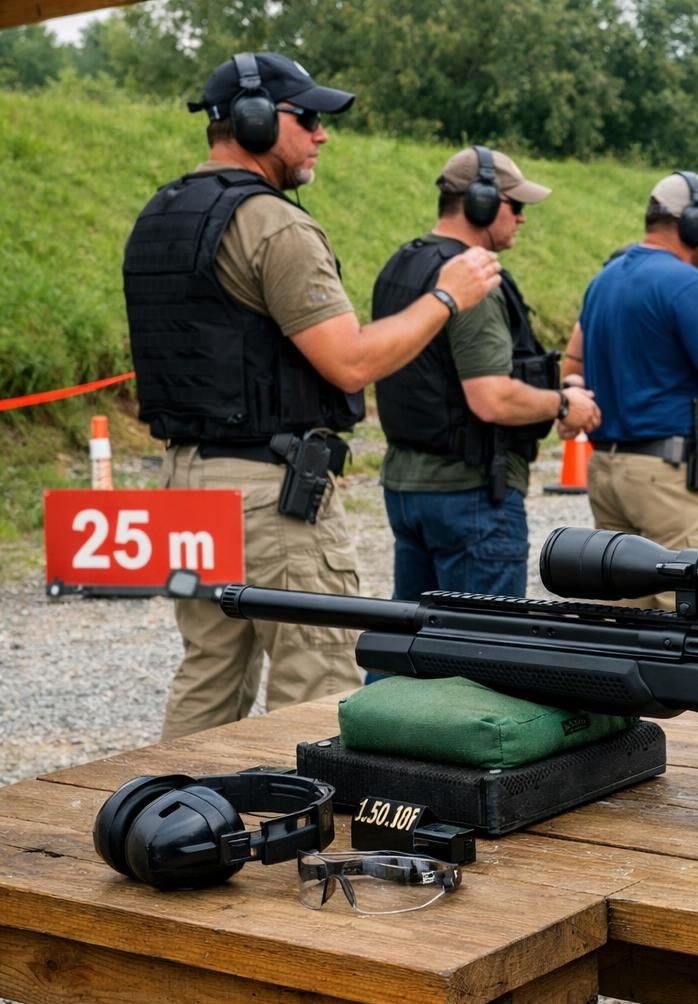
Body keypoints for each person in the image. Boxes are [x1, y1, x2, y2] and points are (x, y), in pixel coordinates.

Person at [124, 52, 502, 740]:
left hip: (185, 484)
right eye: (307, 118)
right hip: (270, 497)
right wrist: (448, 296)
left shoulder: (159, 214)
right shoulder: (275, 225)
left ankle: (170, 803)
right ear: (256, 120)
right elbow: (350, 363)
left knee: (209, 673)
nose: (322, 134)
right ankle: (309, 814)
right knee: (316, 686)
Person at [371, 146, 600, 600]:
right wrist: (562, 404)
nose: (522, 217)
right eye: (515, 205)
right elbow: (490, 397)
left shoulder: (403, 263)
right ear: (483, 202)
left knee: (413, 634)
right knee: (483, 639)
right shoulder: (471, 281)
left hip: (407, 487)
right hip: (470, 493)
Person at [577, 172, 698, 597]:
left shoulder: (605, 279)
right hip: (672, 480)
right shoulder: (687, 284)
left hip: (610, 469)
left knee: (627, 611)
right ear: (693, 222)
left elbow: (575, 358)